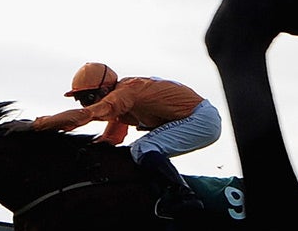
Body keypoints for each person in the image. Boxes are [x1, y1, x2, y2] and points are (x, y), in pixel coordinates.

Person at [30, 62, 222, 220]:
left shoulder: (124, 93)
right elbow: (112, 139)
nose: (86, 103)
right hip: (196, 117)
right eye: (80, 99)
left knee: (142, 147)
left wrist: (35, 126)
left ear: (105, 89)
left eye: (88, 97)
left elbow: (83, 116)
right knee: (132, 153)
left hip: (201, 119)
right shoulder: (123, 101)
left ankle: (183, 195)